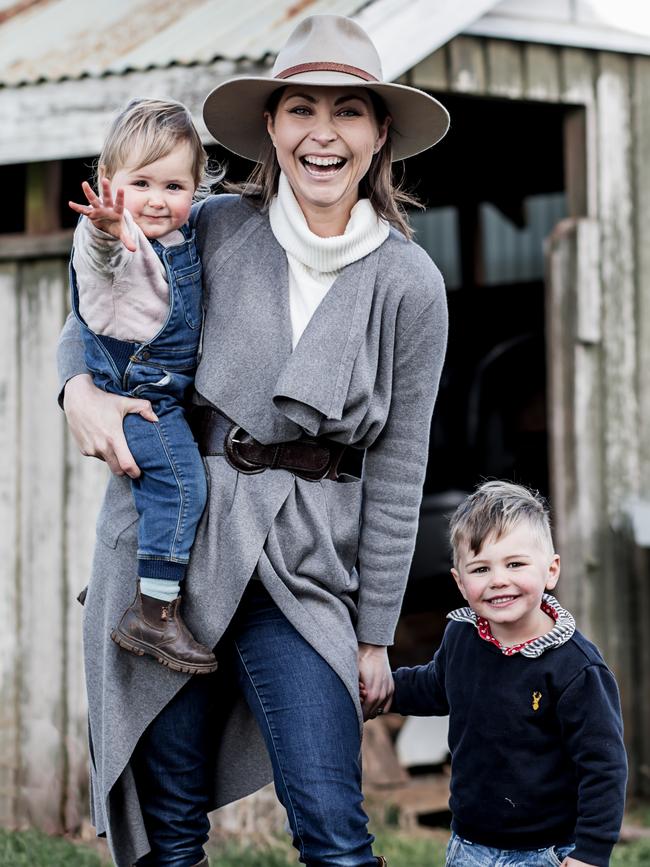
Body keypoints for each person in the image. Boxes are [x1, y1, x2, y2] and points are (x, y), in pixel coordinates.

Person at [58, 14, 449, 867]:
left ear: (380, 134)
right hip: (173, 551)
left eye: (348, 111)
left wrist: (376, 631)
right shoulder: (211, 226)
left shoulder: (408, 284)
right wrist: (76, 389)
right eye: (300, 108)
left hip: (306, 569)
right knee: (171, 841)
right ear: (270, 127)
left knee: (335, 832)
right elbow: (101, 301)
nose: (323, 133)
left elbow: (401, 466)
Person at [390, 481, 627, 867]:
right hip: (469, 845)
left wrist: (591, 853)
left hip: (548, 850)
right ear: (460, 582)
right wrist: (383, 690)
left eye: (515, 564)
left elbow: (603, 767)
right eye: (481, 568)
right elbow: (435, 686)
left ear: (551, 571)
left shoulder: (576, 669)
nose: (498, 579)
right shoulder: (462, 636)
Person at [68, 98, 218, 675]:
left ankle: (112, 588)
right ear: (110, 185)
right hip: (139, 399)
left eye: (175, 185)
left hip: (165, 393)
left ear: (195, 189)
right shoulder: (114, 242)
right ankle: (151, 616)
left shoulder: (180, 238)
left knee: (153, 502)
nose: (157, 199)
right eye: (141, 183)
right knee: (183, 490)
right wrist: (106, 227)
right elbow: (100, 259)